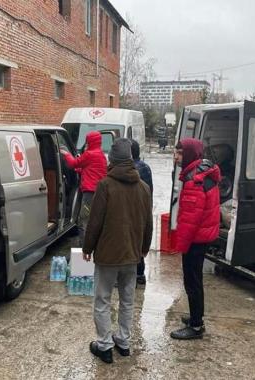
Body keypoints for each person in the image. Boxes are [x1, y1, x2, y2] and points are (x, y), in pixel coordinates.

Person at [83, 138, 153, 364]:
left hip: (108, 255)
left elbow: (95, 221)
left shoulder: (105, 185)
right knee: (127, 299)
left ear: (112, 160)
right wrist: (144, 248)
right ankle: (123, 342)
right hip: (132, 254)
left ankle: (104, 345)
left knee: (102, 299)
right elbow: (148, 222)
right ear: (131, 159)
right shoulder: (143, 187)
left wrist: (88, 247)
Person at [170, 138, 220, 341]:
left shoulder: (194, 180)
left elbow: (191, 219)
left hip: (196, 239)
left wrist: (181, 245)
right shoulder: (202, 170)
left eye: (180, 153)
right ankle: (195, 316)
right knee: (194, 279)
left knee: (192, 280)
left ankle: (197, 326)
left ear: (189, 154)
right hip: (202, 235)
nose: (176, 157)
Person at [60, 131, 107, 246]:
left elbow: (72, 163)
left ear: (90, 141)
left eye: (87, 141)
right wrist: (80, 170)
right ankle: (95, 245)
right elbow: (94, 170)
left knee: (84, 220)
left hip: (89, 193)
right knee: (94, 219)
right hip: (98, 192)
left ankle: (84, 248)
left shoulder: (89, 154)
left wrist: (65, 154)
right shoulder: (100, 154)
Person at [130, 139, 153, 286]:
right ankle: (140, 274)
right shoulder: (146, 167)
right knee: (139, 242)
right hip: (144, 210)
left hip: (132, 211)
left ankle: (130, 275)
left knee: (130, 243)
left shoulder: (132, 169)